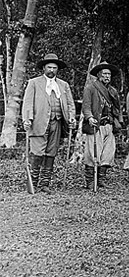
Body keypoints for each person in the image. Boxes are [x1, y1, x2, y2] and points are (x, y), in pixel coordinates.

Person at [22, 54, 76, 192]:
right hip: (38, 122)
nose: (52, 70)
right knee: (37, 152)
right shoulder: (34, 83)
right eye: (49, 67)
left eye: (54, 67)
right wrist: (27, 119)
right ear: (44, 68)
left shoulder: (63, 85)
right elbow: (28, 103)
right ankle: (32, 183)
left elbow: (70, 104)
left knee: (51, 152)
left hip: (57, 122)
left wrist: (71, 118)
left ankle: (45, 184)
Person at [81, 62, 122, 189]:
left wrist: (119, 122)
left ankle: (101, 179)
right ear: (98, 75)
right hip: (96, 125)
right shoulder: (91, 88)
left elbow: (117, 108)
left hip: (109, 124)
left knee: (108, 154)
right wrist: (90, 117)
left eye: (109, 74)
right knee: (92, 153)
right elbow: (86, 106)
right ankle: (90, 181)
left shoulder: (113, 91)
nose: (107, 76)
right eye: (104, 73)